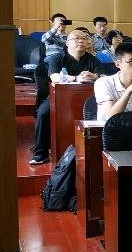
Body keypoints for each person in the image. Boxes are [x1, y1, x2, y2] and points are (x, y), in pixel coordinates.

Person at [30, 29, 103, 164]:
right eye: (76, 38)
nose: (81, 41)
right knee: (43, 113)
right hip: (59, 97)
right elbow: (54, 77)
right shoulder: (58, 58)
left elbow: (103, 76)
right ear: (67, 42)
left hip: (86, 97)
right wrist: (76, 78)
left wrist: (94, 76)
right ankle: (40, 153)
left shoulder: (93, 59)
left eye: (84, 38)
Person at [94, 41, 132, 122]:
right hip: (110, 128)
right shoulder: (103, 83)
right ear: (118, 64)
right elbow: (112, 117)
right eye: (131, 62)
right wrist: (129, 91)